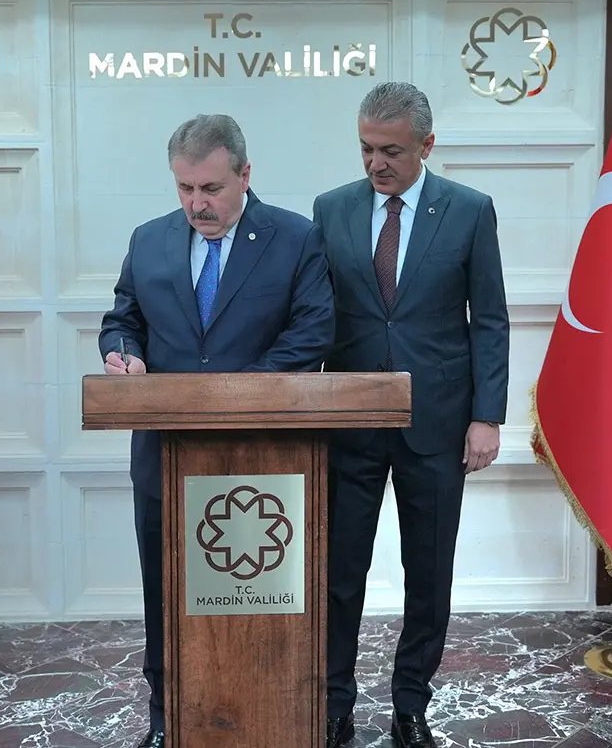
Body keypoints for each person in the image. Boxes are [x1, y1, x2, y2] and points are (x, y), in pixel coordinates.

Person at [99, 113, 335, 748]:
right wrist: (124, 353)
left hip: (267, 462)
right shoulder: (149, 240)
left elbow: (312, 332)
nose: (197, 204)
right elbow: (123, 318)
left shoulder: (295, 238)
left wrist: (234, 394)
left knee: (259, 596)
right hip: (165, 455)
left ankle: (272, 714)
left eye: (211, 188)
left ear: (245, 175)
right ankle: (164, 714)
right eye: (185, 189)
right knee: (165, 590)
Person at [312, 82, 510, 748]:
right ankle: (334, 704)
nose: (376, 163)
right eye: (366, 148)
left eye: (391, 150)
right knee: (340, 577)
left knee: (428, 575)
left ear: (426, 144)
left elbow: (490, 319)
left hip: (438, 423)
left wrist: (487, 416)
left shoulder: (469, 210)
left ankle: (410, 706)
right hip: (349, 425)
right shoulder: (331, 209)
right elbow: (314, 312)